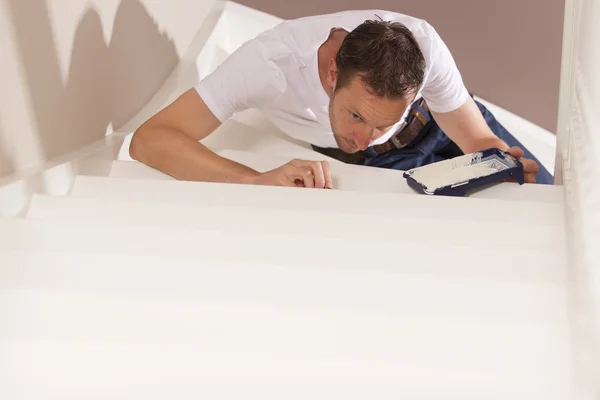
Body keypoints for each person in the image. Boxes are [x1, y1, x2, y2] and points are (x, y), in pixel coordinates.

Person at [129, 9, 553, 189]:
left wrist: (496, 160)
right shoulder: (267, 64)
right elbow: (150, 139)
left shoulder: (425, 47)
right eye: (355, 114)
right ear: (333, 73)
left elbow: (474, 136)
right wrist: (254, 181)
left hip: (443, 125)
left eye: (383, 122)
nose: (365, 135)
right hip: (383, 169)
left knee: (543, 194)